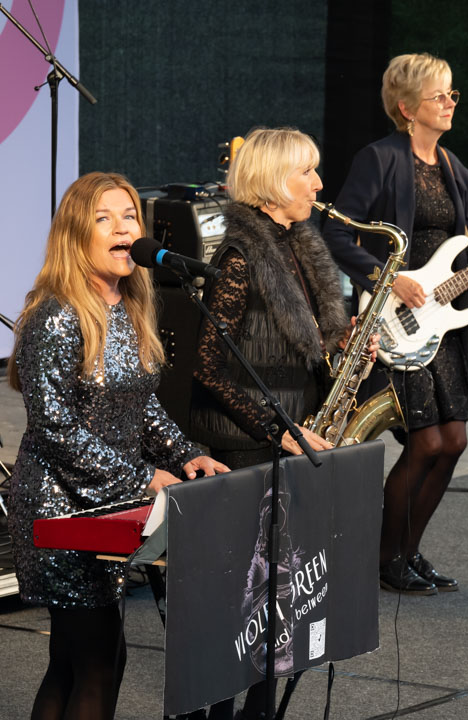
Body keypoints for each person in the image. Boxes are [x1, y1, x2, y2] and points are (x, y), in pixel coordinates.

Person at [323, 52, 468, 595]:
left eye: (453, 93)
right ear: (407, 108)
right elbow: (336, 234)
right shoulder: (379, 159)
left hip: (443, 323)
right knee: (425, 443)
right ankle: (384, 558)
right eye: (439, 95)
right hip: (394, 317)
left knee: (453, 441)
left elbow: (467, 245)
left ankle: (408, 551)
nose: (451, 102)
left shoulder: (456, 170)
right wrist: (388, 278)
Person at [7, 171, 228, 720]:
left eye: (129, 216)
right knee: (99, 662)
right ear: (75, 235)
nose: (123, 228)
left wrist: (184, 454)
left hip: (106, 504)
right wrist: (142, 477)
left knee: (74, 662)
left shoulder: (127, 306)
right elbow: (55, 428)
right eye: (103, 219)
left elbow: (141, 405)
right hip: (60, 508)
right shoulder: (55, 315)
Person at [189, 127, 369, 719]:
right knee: (239, 600)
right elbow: (209, 367)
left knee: (283, 595)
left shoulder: (298, 246)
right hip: (244, 444)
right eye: (306, 172)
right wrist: (278, 429)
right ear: (270, 183)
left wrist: (342, 349)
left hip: (292, 432)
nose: (318, 183)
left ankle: (261, 709)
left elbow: (299, 345)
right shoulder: (239, 257)